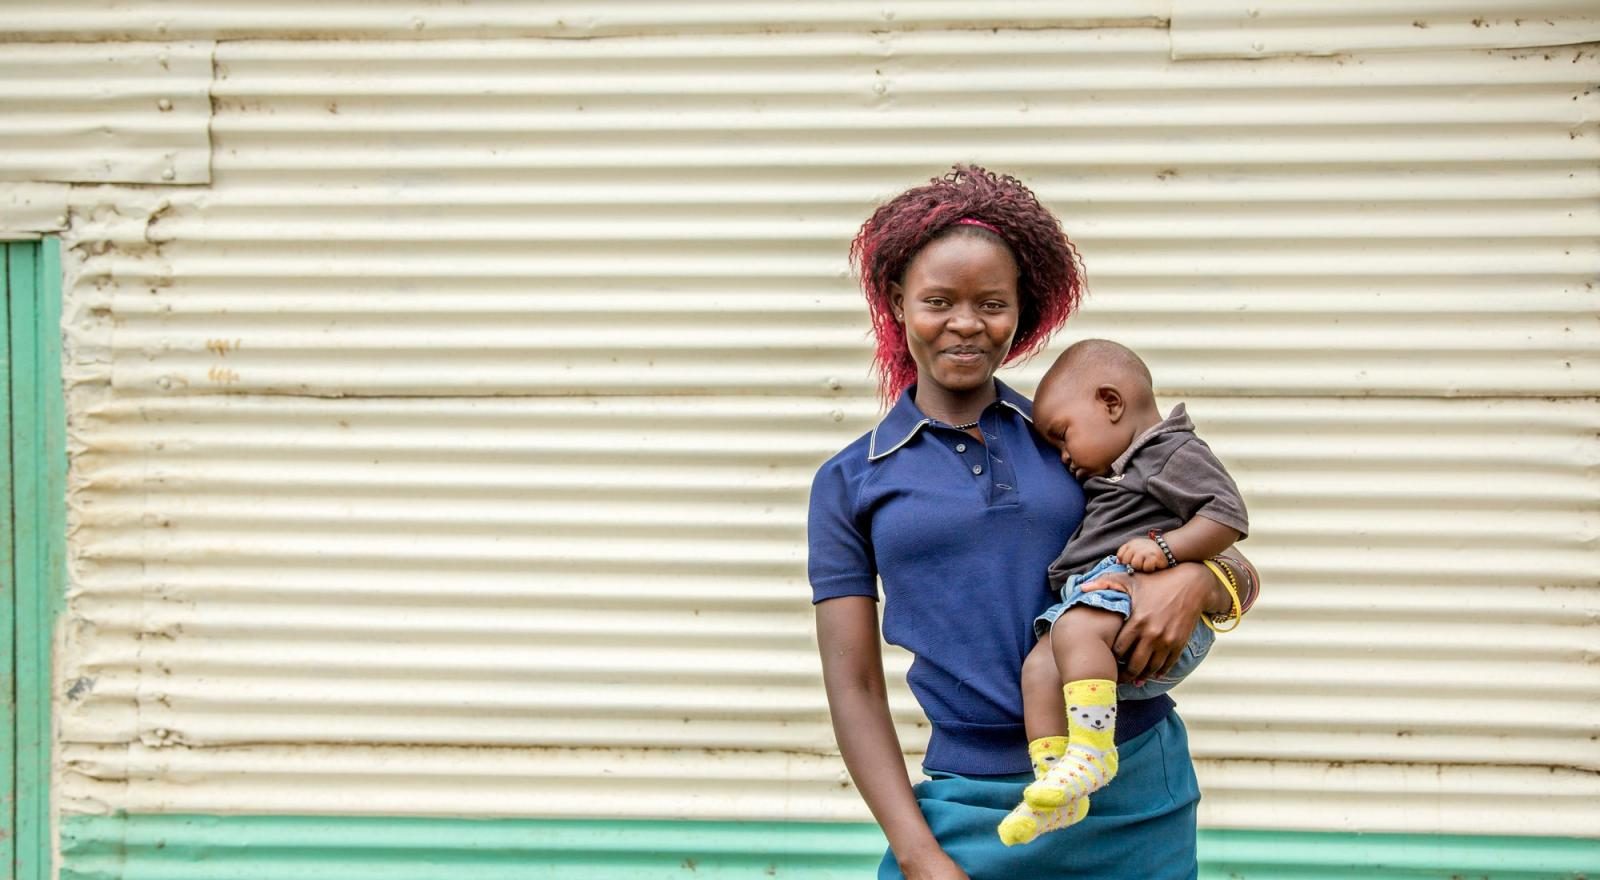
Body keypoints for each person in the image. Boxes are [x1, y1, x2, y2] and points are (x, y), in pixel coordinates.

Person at [807, 164, 1259, 880]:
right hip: (969, 802)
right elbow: (853, 683)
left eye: (991, 302)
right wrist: (920, 854)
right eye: (937, 301)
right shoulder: (850, 482)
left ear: (1021, 312)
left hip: (1134, 786)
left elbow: (1232, 554)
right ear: (897, 303)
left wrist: (1197, 580)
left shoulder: (1071, 441)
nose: (965, 323)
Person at [997, 338, 1251, 847]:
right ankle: (1055, 784)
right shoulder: (1123, 467)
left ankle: (1092, 752)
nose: (1065, 456)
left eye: (1063, 437)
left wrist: (1169, 549)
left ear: (1110, 403)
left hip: (1138, 605)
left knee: (1075, 629)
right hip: (1101, 599)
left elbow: (1227, 515)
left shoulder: (1169, 450)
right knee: (1039, 666)